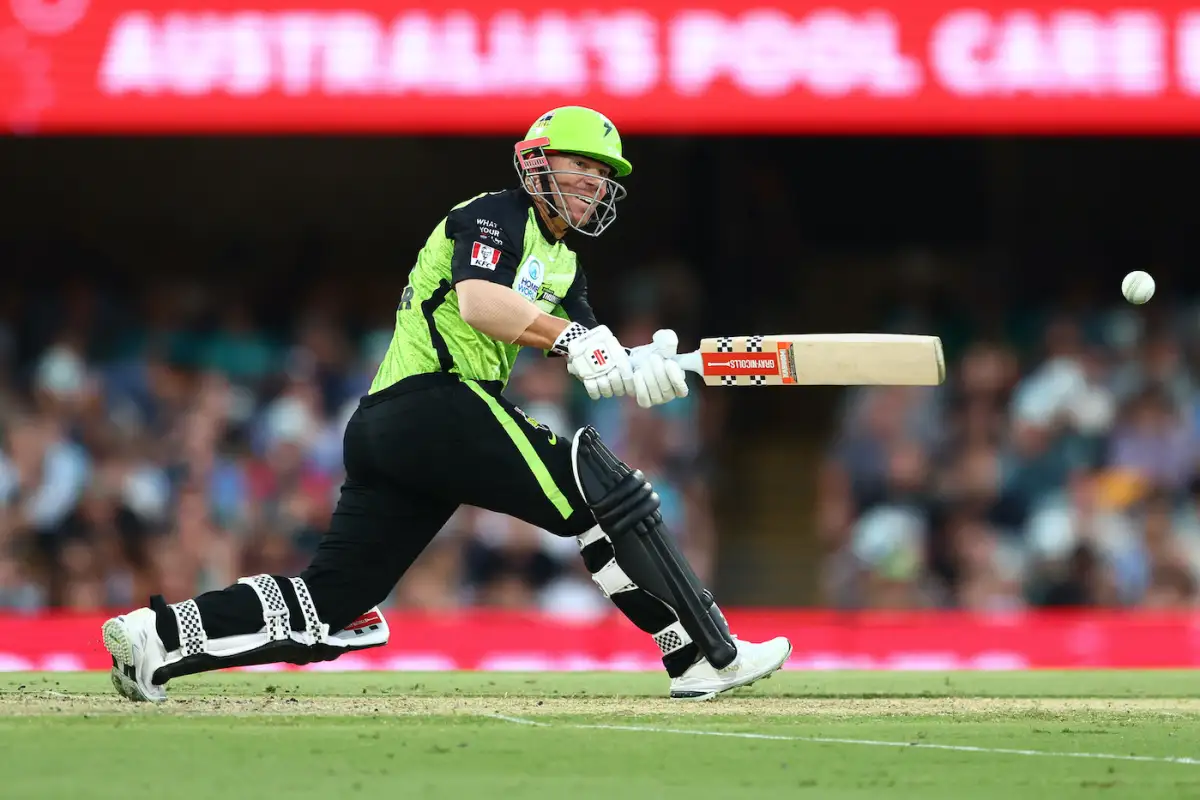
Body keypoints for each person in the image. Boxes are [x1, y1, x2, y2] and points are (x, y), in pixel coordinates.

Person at [101, 106, 792, 703]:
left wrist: (644, 369)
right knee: (604, 490)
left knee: (331, 606)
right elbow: (482, 302)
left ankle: (154, 638)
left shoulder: (566, 264)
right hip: (429, 402)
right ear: (538, 163)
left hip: (401, 432)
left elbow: (589, 355)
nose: (596, 183)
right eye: (584, 166)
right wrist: (579, 339)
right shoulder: (493, 214)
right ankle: (705, 652)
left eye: (605, 174)